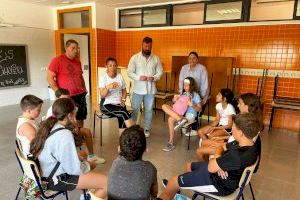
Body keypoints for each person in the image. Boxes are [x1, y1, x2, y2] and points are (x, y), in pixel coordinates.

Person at [158, 113, 260, 200]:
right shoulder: (249, 144)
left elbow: (211, 167)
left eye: (233, 127)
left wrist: (218, 163)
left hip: (219, 185)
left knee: (173, 181)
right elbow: (222, 146)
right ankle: (183, 185)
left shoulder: (236, 155)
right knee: (189, 166)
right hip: (220, 174)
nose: (231, 129)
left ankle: (176, 187)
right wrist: (219, 161)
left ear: (241, 133)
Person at [30, 98, 107, 198]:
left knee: (83, 155)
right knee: (107, 183)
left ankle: (86, 193)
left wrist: (82, 161)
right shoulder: (64, 134)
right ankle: (87, 196)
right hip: (56, 180)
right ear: (70, 115)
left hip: (47, 173)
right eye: (75, 113)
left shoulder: (50, 125)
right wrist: (89, 164)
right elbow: (74, 170)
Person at [196, 93, 262, 161]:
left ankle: (208, 167)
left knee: (199, 150)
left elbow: (242, 145)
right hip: (231, 144)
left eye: (240, 103)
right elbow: (237, 137)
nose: (238, 105)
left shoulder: (248, 123)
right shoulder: (248, 119)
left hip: (232, 148)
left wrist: (222, 145)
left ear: (247, 106)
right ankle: (207, 164)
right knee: (203, 142)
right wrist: (221, 138)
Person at [46, 88, 105, 164]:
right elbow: (51, 126)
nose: (66, 101)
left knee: (87, 131)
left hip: (69, 127)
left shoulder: (71, 106)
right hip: (60, 130)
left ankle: (91, 156)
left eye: (68, 98)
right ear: (57, 98)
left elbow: (74, 120)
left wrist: (76, 127)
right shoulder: (52, 110)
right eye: (63, 98)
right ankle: (74, 158)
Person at [108, 125, 158, 200]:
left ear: (119, 149)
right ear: (145, 149)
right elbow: (154, 193)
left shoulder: (115, 163)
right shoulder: (150, 168)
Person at [127, 37, 163, 138]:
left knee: (149, 110)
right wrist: (139, 77)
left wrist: (154, 78)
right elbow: (129, 72)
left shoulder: (156, 58)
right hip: (138, 89)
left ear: (151, 46)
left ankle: (146, 129)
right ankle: (132, 128)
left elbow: (160, 72)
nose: (147, 48)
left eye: (149, 46)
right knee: (134, 109)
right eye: (146, 46)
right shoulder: (135, 58)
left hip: (150, 90)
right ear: (142, 45)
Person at [47, 39, 87, 128]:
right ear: (66, 48)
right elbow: (49, 78)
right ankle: (69, 136)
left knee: (81, 116)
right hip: (67, 96)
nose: (76, 50)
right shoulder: (57, 60)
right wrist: (59, 93)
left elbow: (80, 76)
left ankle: (79, 134)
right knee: (67, 118)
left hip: (80, 95)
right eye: (73, 48)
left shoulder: (78, 62)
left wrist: (84, 88)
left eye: (77, 48)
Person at [161, 77, 201, 152]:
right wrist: (174, 100)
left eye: (187, 85)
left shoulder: (196, 95)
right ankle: (180, 119)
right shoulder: (183, 94)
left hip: (189, 115)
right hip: (180, 114)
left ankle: (171, 142)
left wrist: (192, 105)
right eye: (184, 85)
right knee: (164, 106)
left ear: (191, 86)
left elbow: (200, 109)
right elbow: (178, 105)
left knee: (170, 119)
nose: (185, 87)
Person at [99, 57, 134, 135]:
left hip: (118, 104)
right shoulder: (103, 78)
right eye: (110, 65)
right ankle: (135, 134)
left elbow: (124, 90)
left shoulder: (119, 76)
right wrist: (108, 87)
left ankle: (122, 143)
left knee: (122, 115)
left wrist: (123, 100)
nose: (112, 67)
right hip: (106, 104)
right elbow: (102, 95)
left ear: (116, 66)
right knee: (124, 113)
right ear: (106, 66)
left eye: (114, 65)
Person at [179, 52, 208, 136]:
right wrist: (181, 94)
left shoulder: (202, 69)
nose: (192, 60)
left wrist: (201, 98)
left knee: (195, 107)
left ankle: (193, 127)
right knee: (182, 106)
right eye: (190, 58)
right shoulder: (184, 68)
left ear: (197, 59)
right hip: (186, 93)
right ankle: (185, 123)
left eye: (194, 58)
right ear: (188, 59)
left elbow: (204, 85)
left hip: (198, 93)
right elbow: (181, 81)